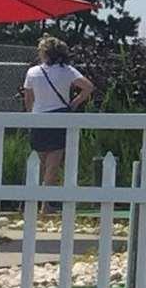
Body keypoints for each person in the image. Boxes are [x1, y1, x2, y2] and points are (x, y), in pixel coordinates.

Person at [19, 35, 94, 185]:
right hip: (59, 116)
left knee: (38, 161)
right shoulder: (67, 70)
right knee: (53, 162)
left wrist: (30, 116)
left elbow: (28, 98)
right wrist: (74, 103)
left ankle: (32, 198)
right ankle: (45, 204)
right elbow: (88, 87)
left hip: (38, 117)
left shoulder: (32, 72)